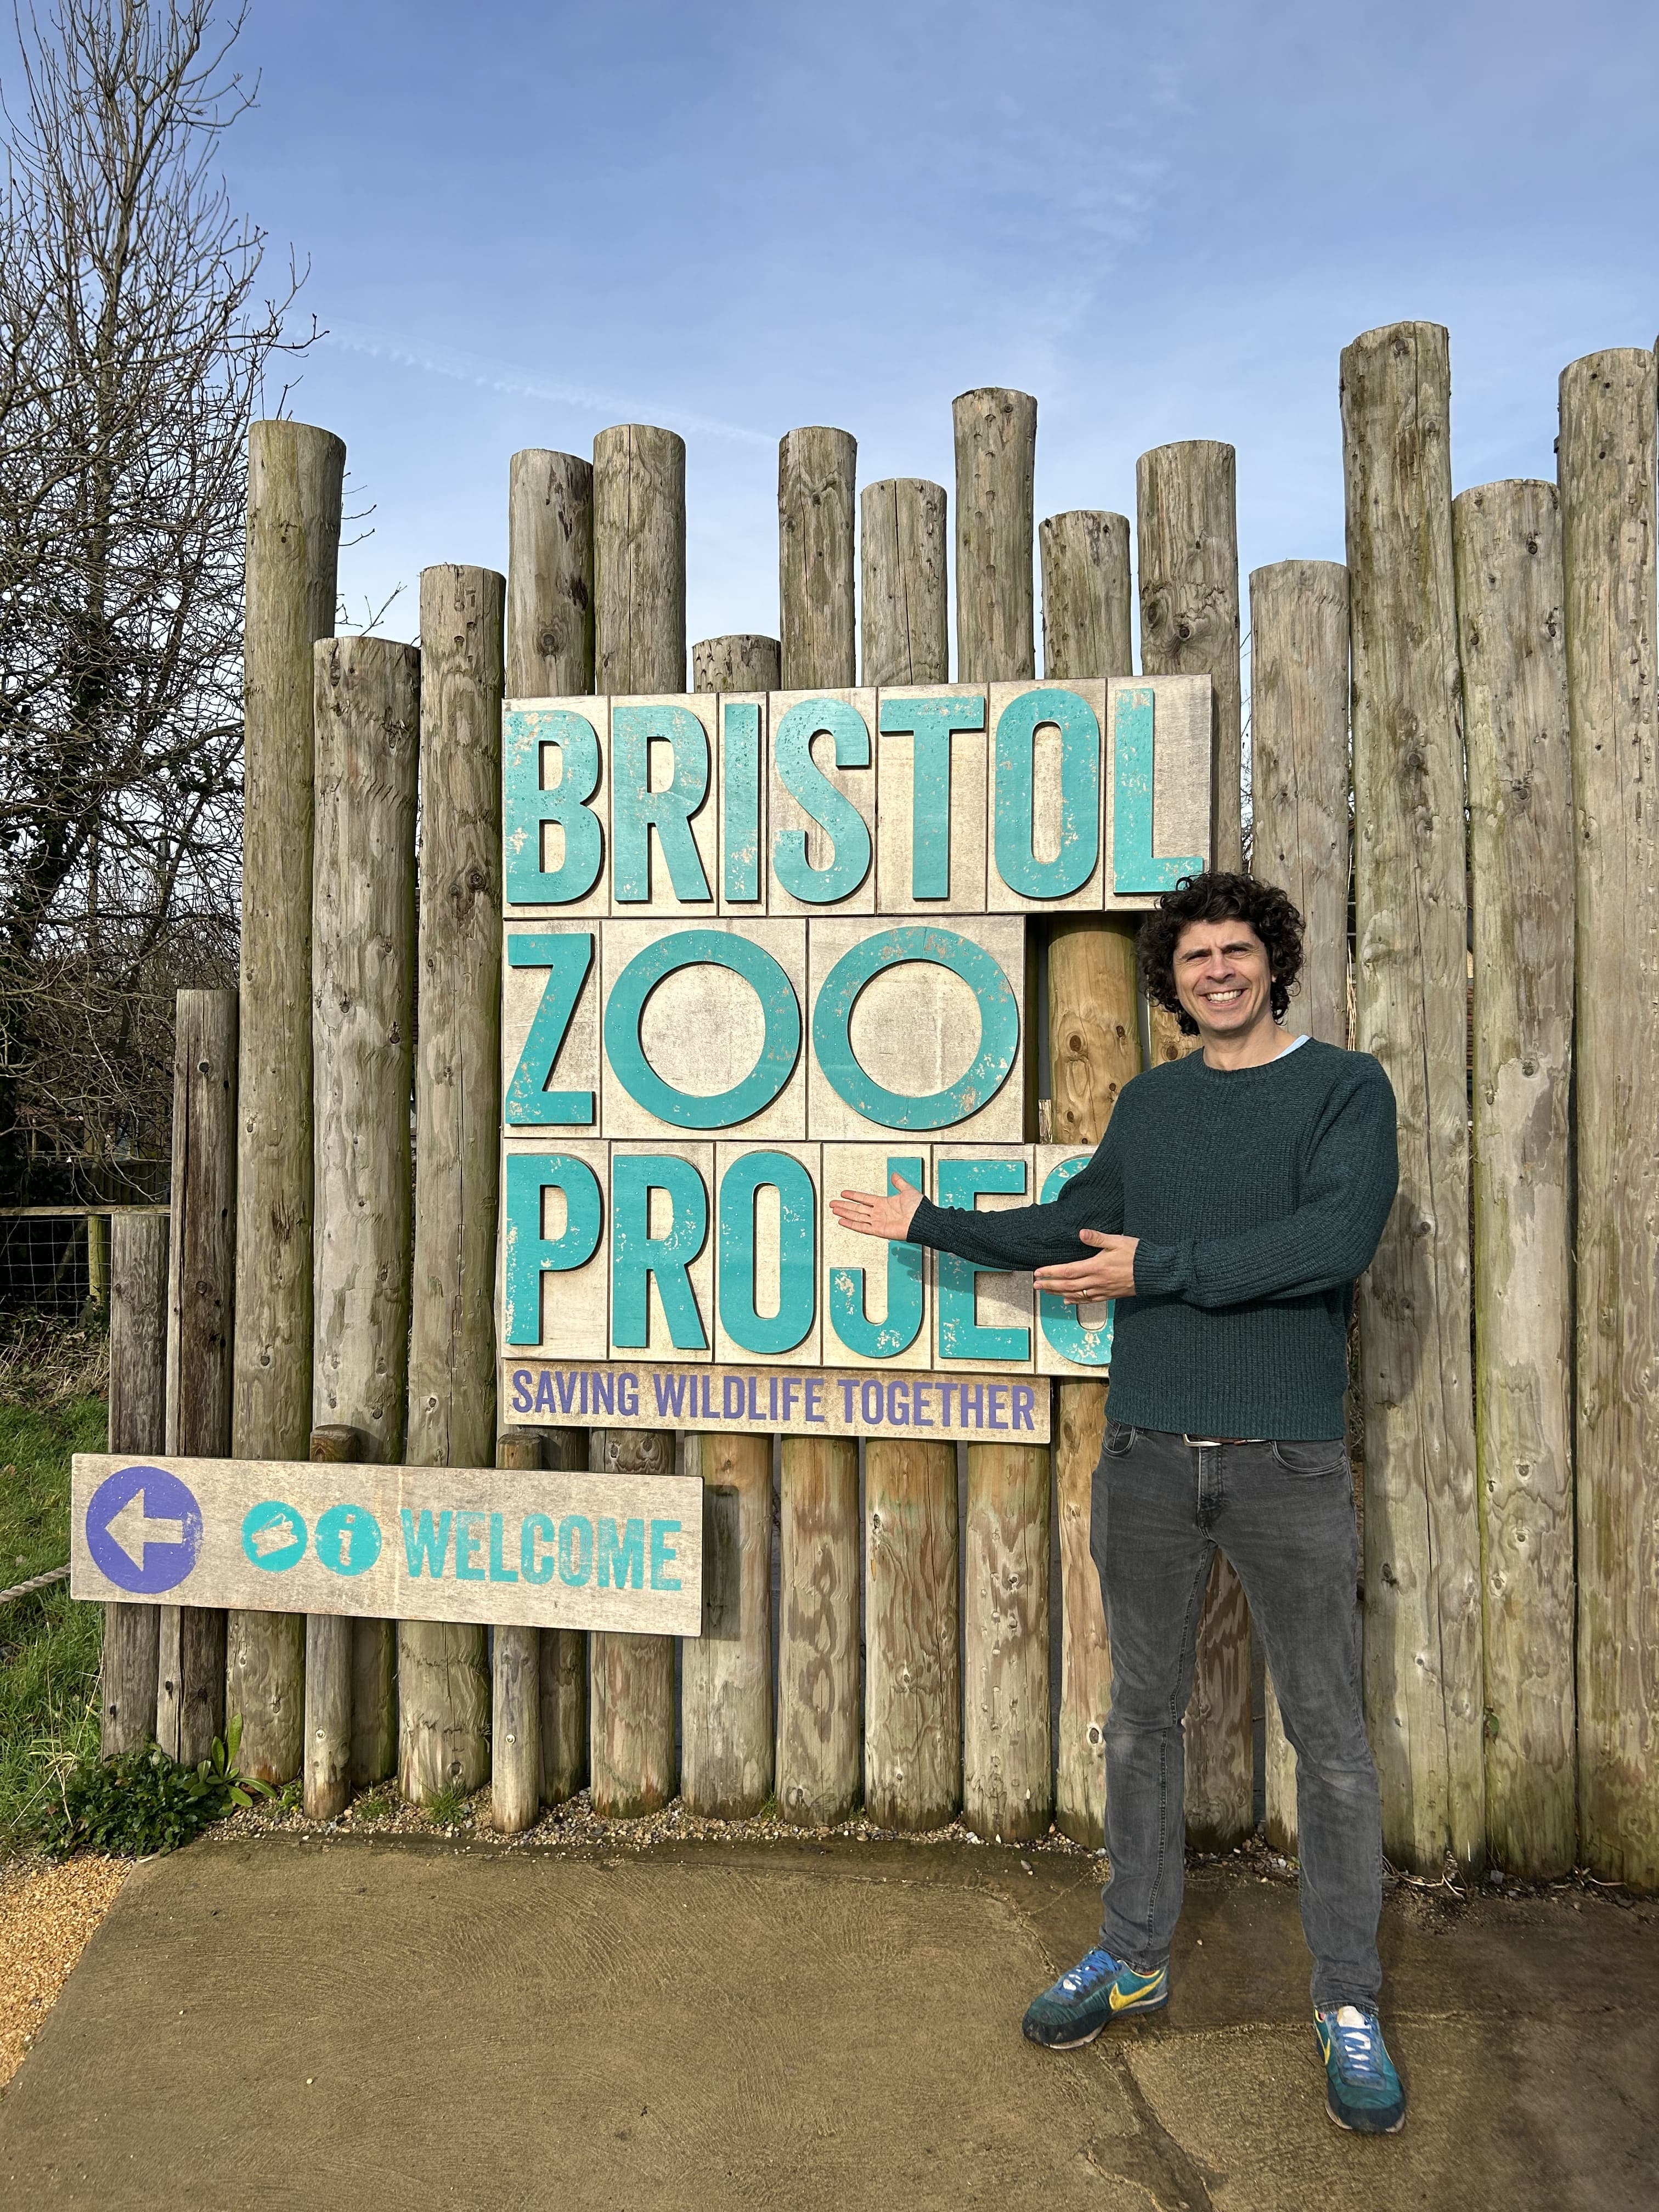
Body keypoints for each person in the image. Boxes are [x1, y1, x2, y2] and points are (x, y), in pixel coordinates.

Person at [830, 871, 1407, 2136]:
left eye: (1237, 950)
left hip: (1286, 1460)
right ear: (1172, 980)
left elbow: (1334, 1242)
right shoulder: (1149, 1109)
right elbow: (1070, 1232)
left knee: (1334, 1742)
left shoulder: (1345, 1091)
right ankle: (1133, 1950)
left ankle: (1348, 2002)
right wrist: (927, 1220)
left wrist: (1168, 1268)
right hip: (1146, 1458)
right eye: (1195, 955)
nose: (1217, 970)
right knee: (1142, 1720)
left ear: (1275, 961)